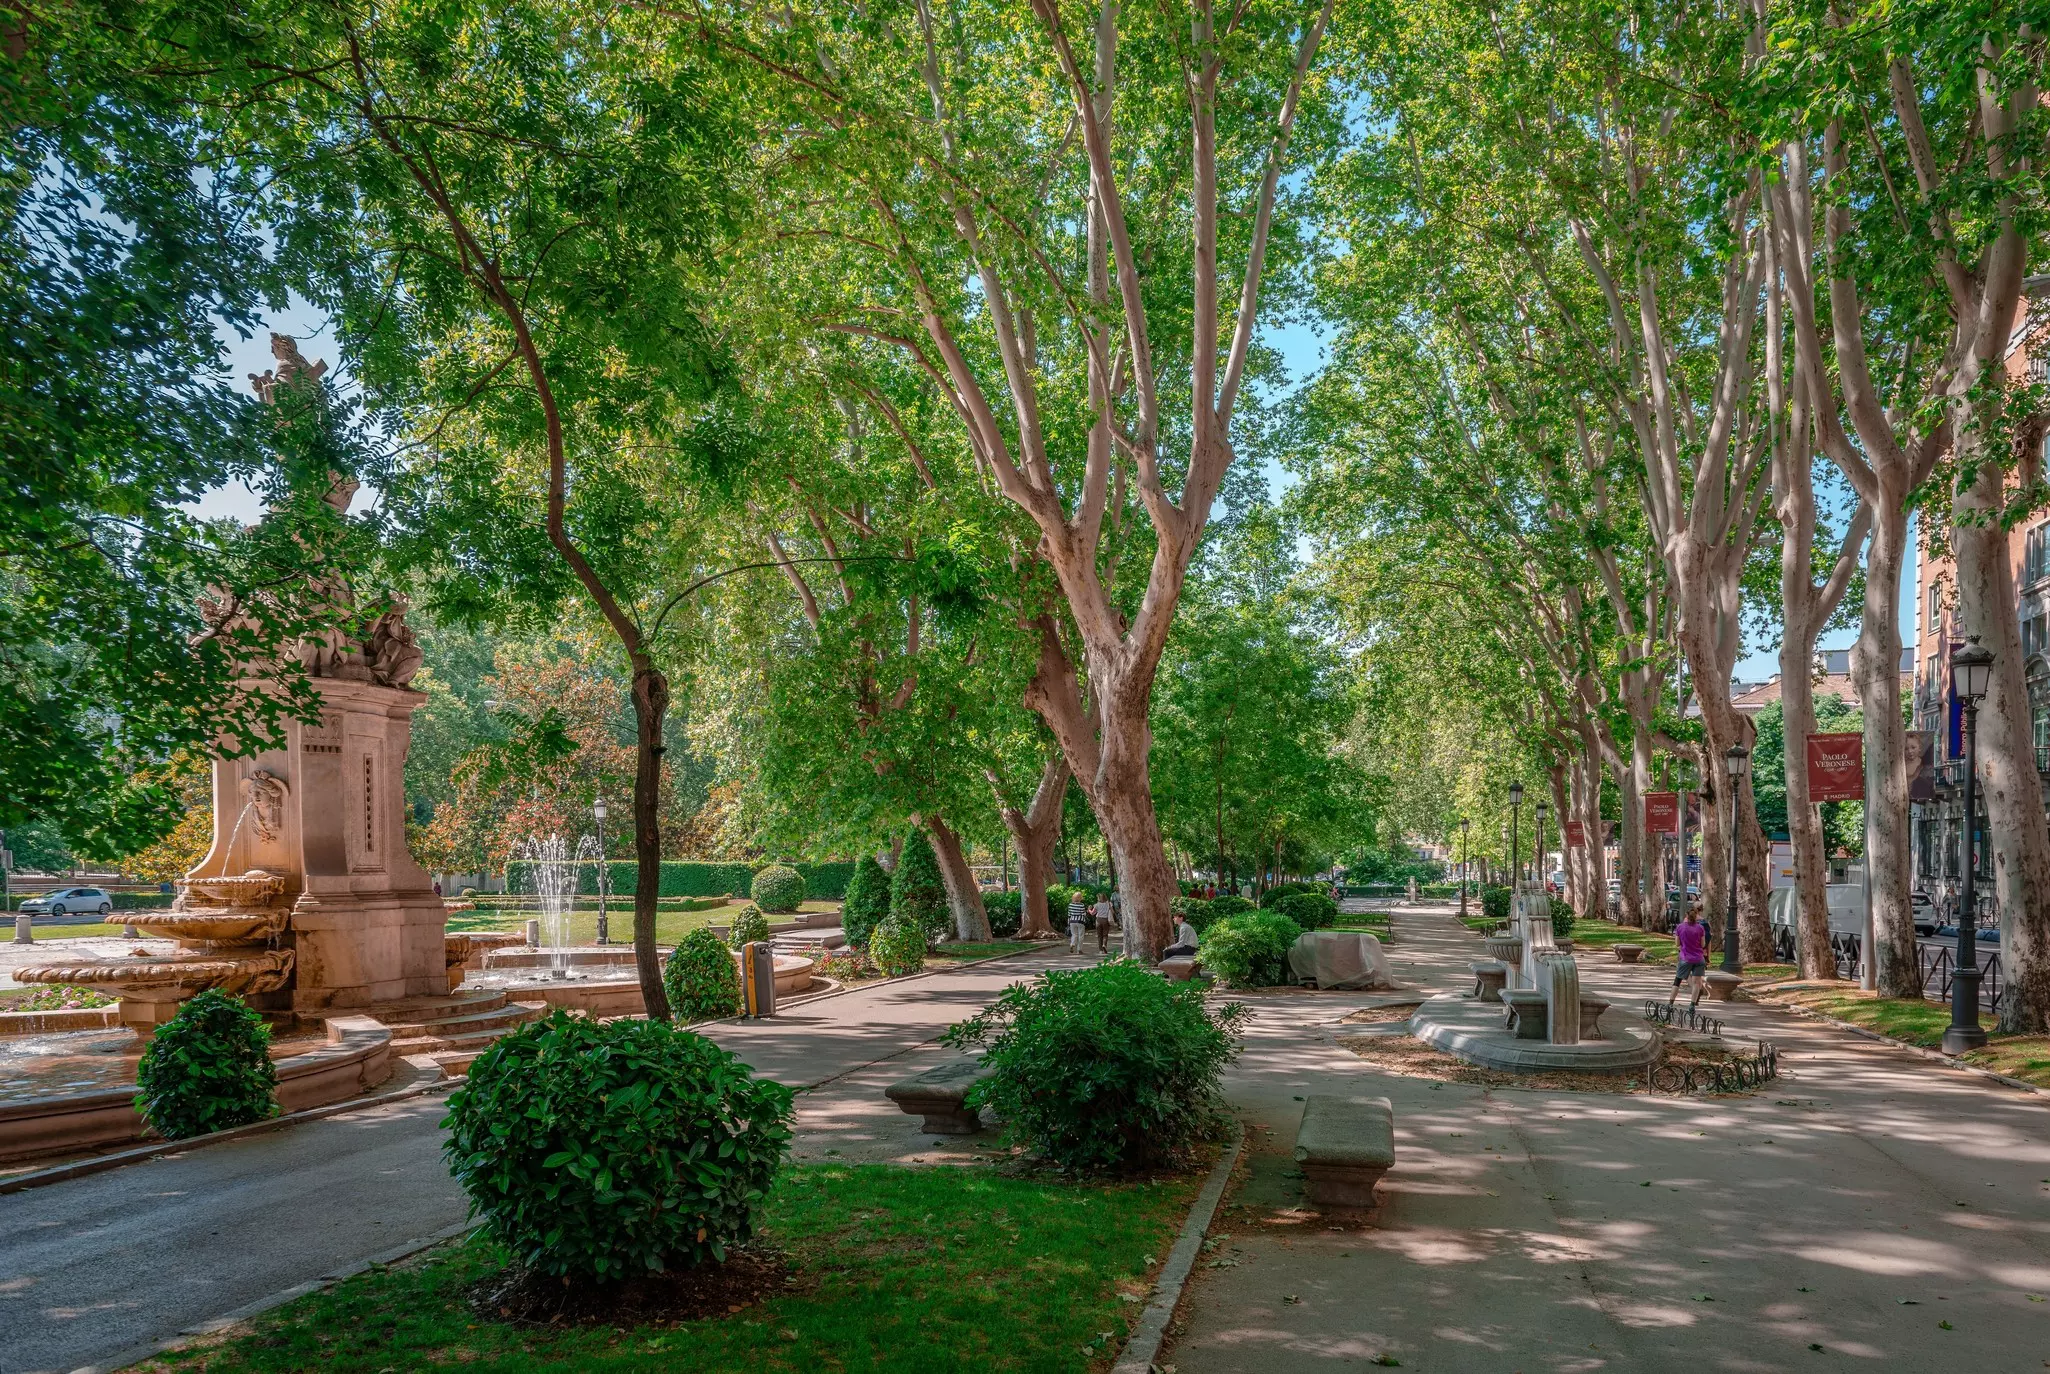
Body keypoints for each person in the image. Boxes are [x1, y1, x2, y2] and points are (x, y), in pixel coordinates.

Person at [1669, 909, 1709, 1009]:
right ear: (1696, 917)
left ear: (1686, 916)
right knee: (1696, 982)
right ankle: (1692, 1005)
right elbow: (1703, 944)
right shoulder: (1700, 928)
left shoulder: (1680, 927)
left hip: (1685, 958)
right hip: (1699, 958)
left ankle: (1670, 1003)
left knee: (1677, 981)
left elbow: (1677, 943)